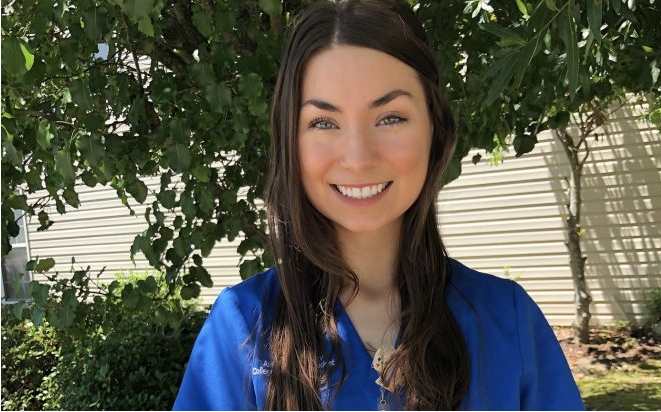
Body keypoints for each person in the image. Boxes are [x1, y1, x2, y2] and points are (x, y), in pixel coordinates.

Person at [173, 0, 585, 410]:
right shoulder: (243, 327)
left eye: (390, 117)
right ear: (290, 142)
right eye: (323, 122)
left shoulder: (508, 323)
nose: (357, 157)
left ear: (434, 130)